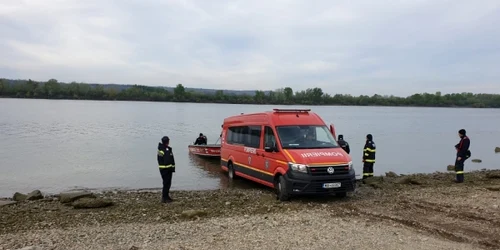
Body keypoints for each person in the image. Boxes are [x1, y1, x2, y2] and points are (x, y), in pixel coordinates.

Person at [157, 136, 176, 203]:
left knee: (168, 183)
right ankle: (164, 198)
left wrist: (173, 168)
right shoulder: (163, 149)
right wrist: (170, 167)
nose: (169, 142)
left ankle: (166, 196)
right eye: (168, 141)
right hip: (165, 169)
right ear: (167, 141)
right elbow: (167, 160)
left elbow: (171, 160)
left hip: (167, 169)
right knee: (166, 183)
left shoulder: (165, 149)